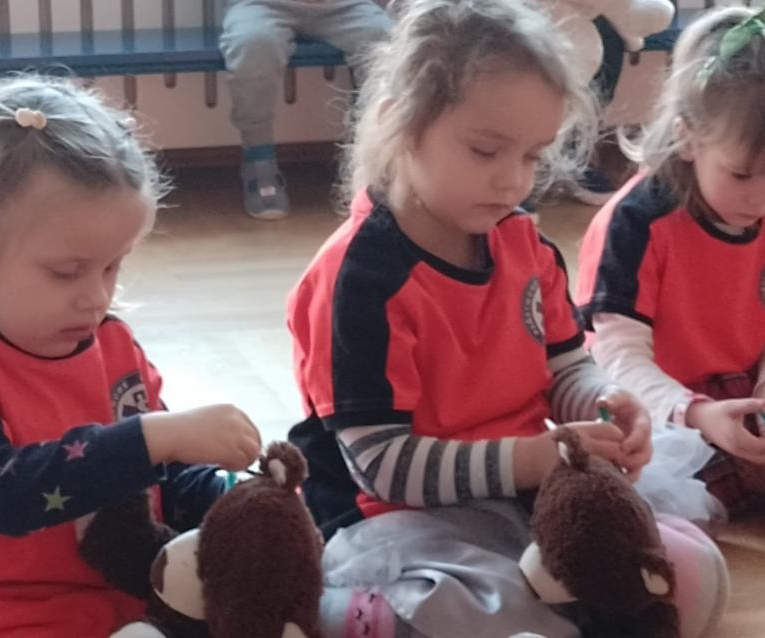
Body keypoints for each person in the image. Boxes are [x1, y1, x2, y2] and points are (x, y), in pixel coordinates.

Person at [286, 1, 728, 636]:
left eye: (532, 157)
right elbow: (381, 464)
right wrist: (528, 461)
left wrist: (604, 401)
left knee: (694, 575)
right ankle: (347, 613)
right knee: (510, 614)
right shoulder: (359, 279)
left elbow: (566, 365)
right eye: (486, 151)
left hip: (525, 487)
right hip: (398, 516)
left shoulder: (523, 245)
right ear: (398, 124)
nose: (513, 182)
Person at [0, 76, 261, 638]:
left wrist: (234, 499)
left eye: (112, 266)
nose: (96, 297)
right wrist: (153, 437)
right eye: (66, 272)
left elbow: (157, 478)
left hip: (125, 599)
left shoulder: (112, 342)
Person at [576, 5, 765, 523]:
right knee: (639, 493)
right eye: (742, 174)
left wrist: (764, 395)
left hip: (738, 392)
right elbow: (617, 360)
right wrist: (698, 414)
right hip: (655, 402)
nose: (761, 198)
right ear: (687, 137)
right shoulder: (637, 222)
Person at [219, 0, 391, 220]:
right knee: (253, 45)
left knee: (385, 40)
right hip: (261, 4)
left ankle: (373, 164)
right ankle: (258, 159)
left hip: (343, 5)